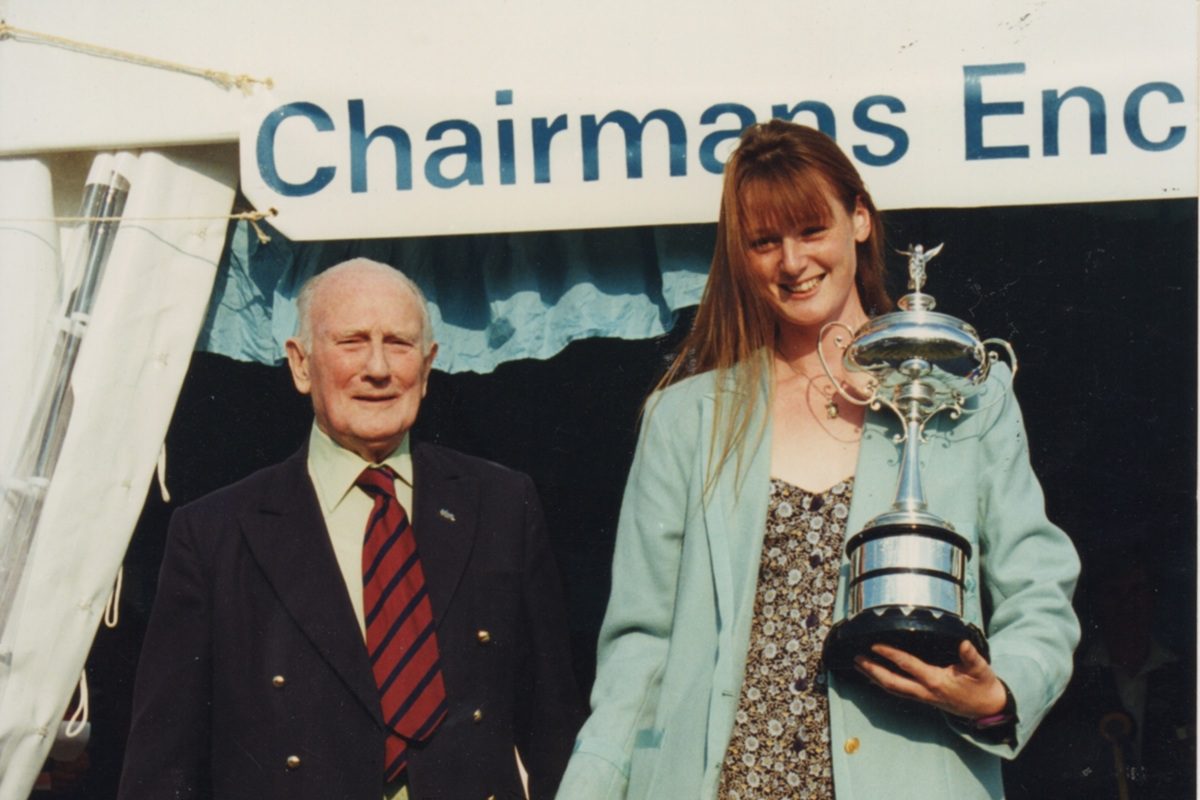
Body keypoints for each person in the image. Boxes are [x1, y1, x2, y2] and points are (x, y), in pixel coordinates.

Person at [556, 120, 1080, 799]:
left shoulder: (967, 395)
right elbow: (639, 648)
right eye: (764, 241)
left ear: (859, 219)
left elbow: (1039, 591)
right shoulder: (685, 419)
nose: (792, 261)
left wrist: (996, 692)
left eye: (810, 230)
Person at [118, 258, 583, 799]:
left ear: (428, 366)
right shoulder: (215, 533)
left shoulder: (502, 504)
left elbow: (555, 726)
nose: (379, 368)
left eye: (400, 344)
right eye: (352, 342)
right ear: (300, 364)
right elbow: (164, 763)